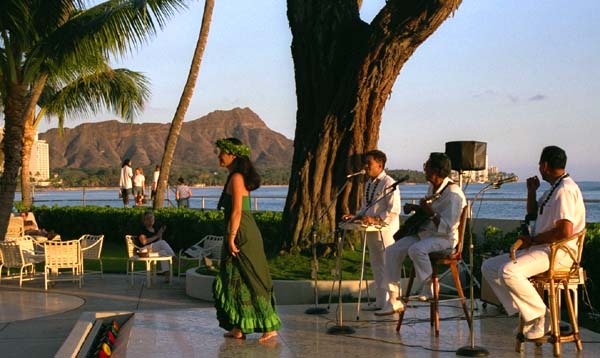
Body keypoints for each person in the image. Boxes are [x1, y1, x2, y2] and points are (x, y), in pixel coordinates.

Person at [481, 146, 585, 340]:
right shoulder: (554, 190)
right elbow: (532, 214)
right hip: (542, 249)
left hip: (557, 253)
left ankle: (540, 316)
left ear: (544, 166)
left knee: (508, 271)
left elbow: (565, 231)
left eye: (539, 164)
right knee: (489, 266)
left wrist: (532, 240)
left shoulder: (565, 190)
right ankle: (528, 312)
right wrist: (531, 192)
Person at [376, 152, 466, 316]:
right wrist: (416, 208)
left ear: (436, 170)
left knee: (416, 250)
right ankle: (393, 299)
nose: (424, 169)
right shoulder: (433, 187)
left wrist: (430, 213)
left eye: (427, 166)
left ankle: (430, 286)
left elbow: (449, 228)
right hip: (426, 233)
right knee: (391, 251)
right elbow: (429, 212)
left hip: (445, 239)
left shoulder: (454, 194)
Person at [212, 137, 280, 342]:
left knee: (251, 278)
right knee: (234, 278)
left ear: (233, 155)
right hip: (238, 231)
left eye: (222, 152)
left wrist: (231, 239)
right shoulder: (234, 176)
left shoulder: (237, 178)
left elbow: (237, 212)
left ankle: (269, 326)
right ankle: (239, 326)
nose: (219, 155)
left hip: (242, 233)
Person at [342, 149, 401, 310]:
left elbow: (394, 209)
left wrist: (376, 219)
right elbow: (365, 207)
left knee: (388, 264)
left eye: (369, 163)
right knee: (376, 265)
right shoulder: (368, 183)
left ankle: (393, 301)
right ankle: (380, 301)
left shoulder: (389, 183)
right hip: (371, 231)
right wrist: (355, 217)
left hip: (386, 231)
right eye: (365, 163)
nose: (365, 166)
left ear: (380, 165)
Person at [136, 210, 176, 276]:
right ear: (144, 221)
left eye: (151, 218)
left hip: (152, 251)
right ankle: (175, 259)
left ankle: (167, 274)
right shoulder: (142, 229)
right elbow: (144, 241)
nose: (150, 220)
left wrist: (160, 233)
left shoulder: (155, 229)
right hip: (144, 251)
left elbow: (159, 242)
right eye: (148, 218)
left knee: (163, 252)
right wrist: (157, 236)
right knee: (162, 243)